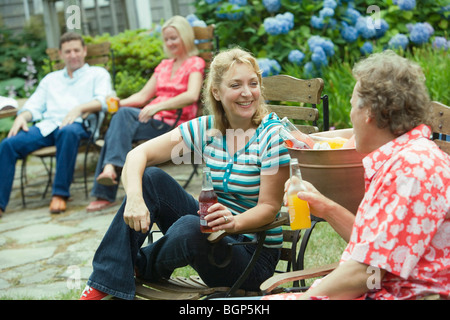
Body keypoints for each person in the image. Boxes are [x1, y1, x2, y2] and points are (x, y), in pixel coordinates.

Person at [80, 47, 290, 300]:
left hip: (252, 259)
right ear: (216, 91)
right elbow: (137, 155)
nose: (247, 93)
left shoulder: (272, 135)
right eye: (235, 85)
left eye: (253, 83)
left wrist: (233, 223)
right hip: (213, 234)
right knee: (151, 179)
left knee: (192, 226)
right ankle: (105, 282)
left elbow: (269, 207)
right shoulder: (207, 128)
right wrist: (134, 198)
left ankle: (136, 265)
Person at [265, 50, 450, 300]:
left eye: (352, 106)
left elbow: (366, 273)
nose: (351, 116)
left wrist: (300, 298)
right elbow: (378, 249)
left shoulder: (411, 171)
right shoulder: (407, 159)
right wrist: (327, 207)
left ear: (368, 113)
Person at [86, 15, 205, 213]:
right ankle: (108, 172)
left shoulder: (195, 63)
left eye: (174, 37)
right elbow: (142, 96)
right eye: (166, 39)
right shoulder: (164, 65)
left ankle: (106, 184)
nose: (170, 42)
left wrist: (158, 106)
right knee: (121, 115)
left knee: (121, 120)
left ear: (185, 36)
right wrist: (116, 103)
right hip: (152, 120)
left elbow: (192, 95)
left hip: (174, 124)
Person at [0, 32, 112, 216]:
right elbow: (34, 106)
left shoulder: (97, 74)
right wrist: (23, 116)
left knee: (67, 132)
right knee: (8, 144)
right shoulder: (50, 79)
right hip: (48, 126)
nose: (73, 55)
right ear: (61, 54)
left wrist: (78, 109)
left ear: (84, 51)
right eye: (68, 51)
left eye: (76, 50)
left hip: (79, 125)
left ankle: (60, 193)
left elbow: (104, 101)